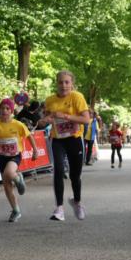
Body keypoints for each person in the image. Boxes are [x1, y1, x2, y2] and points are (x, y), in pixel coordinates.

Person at [36, 70, 91, 221]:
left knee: (75, 175)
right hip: (58, 139)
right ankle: (59, 208)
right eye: (61, 82)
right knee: (58, 170)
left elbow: (86, 120)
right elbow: (46, 118)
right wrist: (44, 121)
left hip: (74, 139)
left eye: (67, 82)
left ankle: (77, 202)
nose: (64, 85)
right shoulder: (50, 100)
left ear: (72, 83)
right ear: (56, 83)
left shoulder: (77, 97)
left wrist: (66, 116)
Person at [0, 98, 38, 222]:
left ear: (11, 111)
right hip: (2, 156)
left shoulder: (18, 124)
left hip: (15, 155)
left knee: (9, 173)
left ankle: (19, 178)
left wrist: (35, 150)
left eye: (7, 108)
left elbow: (29, 136)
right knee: (7, 186)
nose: (4, 111)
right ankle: (16, 210)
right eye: (2, 108)